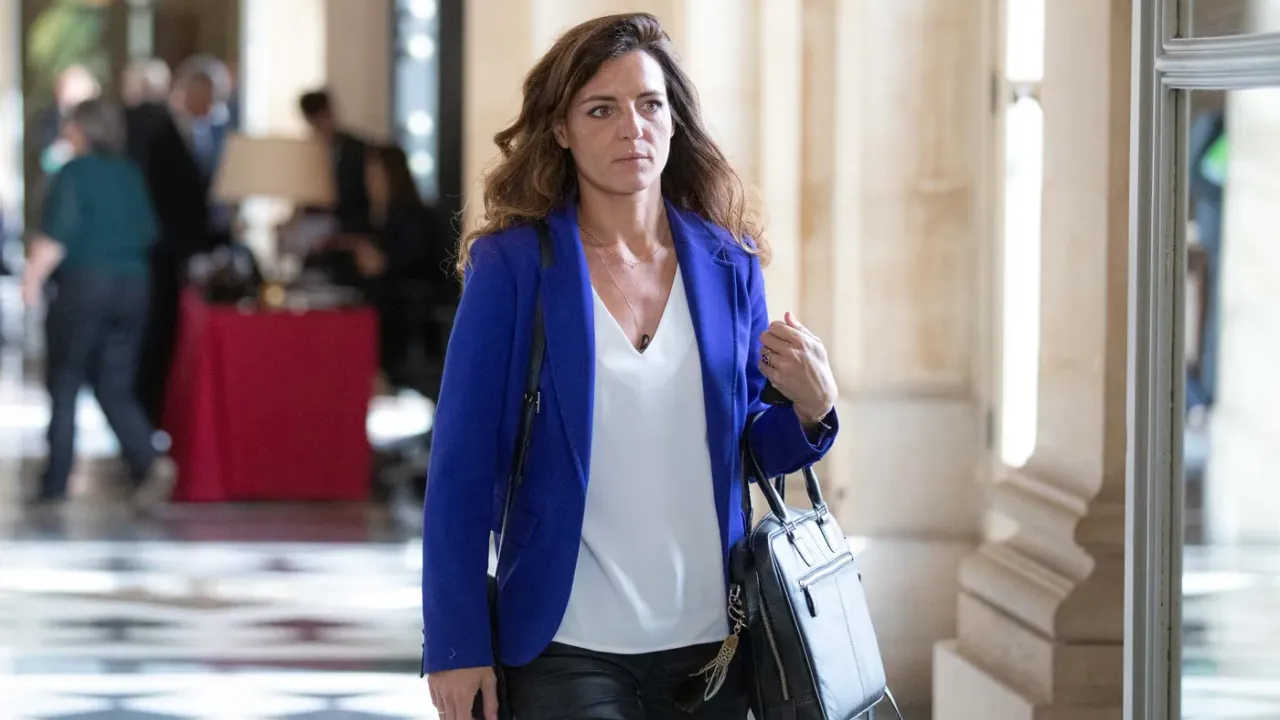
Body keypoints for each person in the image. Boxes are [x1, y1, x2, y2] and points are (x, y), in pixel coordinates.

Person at [421, 13, 840, 720]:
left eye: (650, 105)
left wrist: (812, 407)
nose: (632, 128)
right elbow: (459, 466)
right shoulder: (513, 267)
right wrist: (456, 643)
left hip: (714, 645)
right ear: (561, 129)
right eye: (601, 109)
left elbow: (744, 449)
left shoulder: (728, 263)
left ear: (674, 120)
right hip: (563, 643)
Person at [21, 98, 177, 508]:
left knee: (65, 381)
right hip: (135, 286)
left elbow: (57, 234)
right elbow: (149, 232)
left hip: (85, 285)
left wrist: (31, 280)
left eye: (71, 124)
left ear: (84, 129)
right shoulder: (129, 172)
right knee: (115, 384)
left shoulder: (74, 172)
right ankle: (149, 459)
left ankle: (55, 481)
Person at [298, 90, 372, 233]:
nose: (319, 126)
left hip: (351, 223)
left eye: (322, 118)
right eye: (314, 122)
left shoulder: (356, 149)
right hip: (320, 220)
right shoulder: (310, 151)